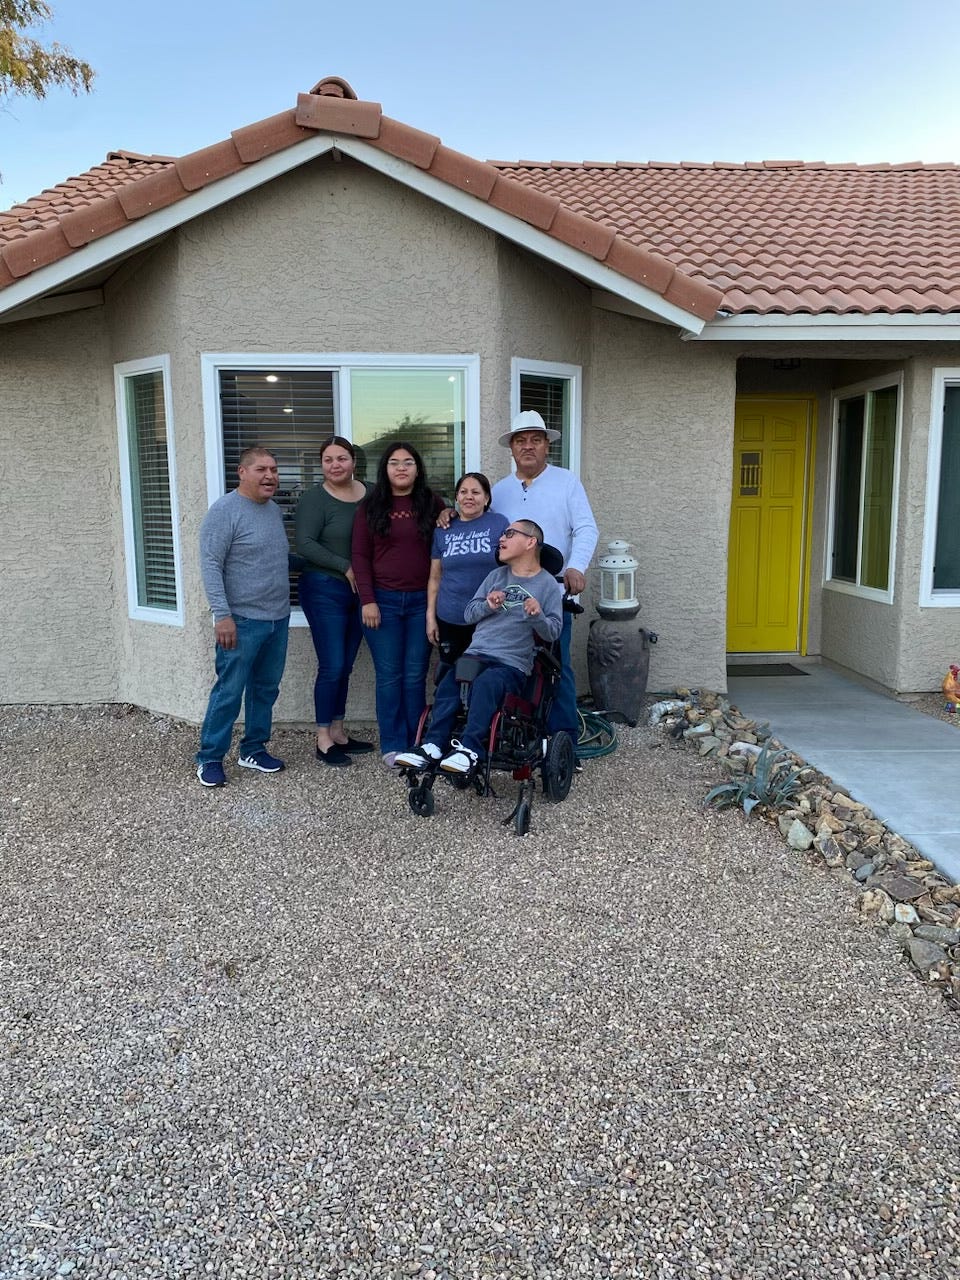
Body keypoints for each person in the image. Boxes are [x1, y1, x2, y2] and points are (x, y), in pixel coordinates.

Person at [395, 519, 562, 775]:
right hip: (476, 654)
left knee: (486, 683)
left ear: (531, 542)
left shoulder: (547, 584)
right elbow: (469, 614)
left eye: (509, 534)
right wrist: (488, 605)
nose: (501, 539)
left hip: (511, 663)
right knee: (450, 683)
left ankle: (470, 749)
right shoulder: (495, 576)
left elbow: (553, 631)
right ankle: (432, 745)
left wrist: (537, 615)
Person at [490, 410, 598, 752]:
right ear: (511, 448)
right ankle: (523, 739)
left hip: (554, 592)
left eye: (536, 440)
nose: (528, 446)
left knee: (556, 667)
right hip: (511, 595)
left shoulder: (567, 482)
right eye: (521, 440)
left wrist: (576, 567)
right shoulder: (499, 491)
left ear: (546, 446)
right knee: (514, 664)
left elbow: (586, 528)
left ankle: (563, 744)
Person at [196, 447, 291, 787]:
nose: (270, 476)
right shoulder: (225, 511)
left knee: (265, 689)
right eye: (261, 469)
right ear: (242, 472)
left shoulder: (273, 510)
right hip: (241, 621)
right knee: (229, 691)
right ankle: (209, 757)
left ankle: (253, 749)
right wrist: (222, 615)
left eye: (274, 469)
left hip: (277, 618)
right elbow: (210, 564)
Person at [351, 441, 446, 769]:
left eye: (408, 462)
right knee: (390, 675)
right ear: (385, 469)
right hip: (383, 603)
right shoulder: (370, 507)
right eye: (394, 462)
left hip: (423, 602)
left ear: (417, 469)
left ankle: (417, 742)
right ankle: (393, 743)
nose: (401, 468)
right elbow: (360, 556)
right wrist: (368, 600)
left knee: (415, 674)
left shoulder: (432, 503)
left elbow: (449, 537)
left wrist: (449, 513)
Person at [294, 436, 374, 767]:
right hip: (324, 588)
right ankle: (323, 737)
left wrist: (444, 511)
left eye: (341, 458)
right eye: (328, 460)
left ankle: (339, 732)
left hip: (361, 592)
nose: (335, 465)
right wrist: (345, 566)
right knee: (333, 664)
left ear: (354, 461)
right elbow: (305, 543)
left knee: (347, 664)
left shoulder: (372, 493)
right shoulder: (314, 499)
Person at [427, 472, 509, 669]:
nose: (469, 497)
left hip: (489, 617)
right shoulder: (443, 529)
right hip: (450, 617)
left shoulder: (499, 523)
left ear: (486, 498)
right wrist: (430, 617)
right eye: (463, 492)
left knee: (485, 676)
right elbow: (435, 577)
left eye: (476, 492)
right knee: (450, 676)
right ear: (456, 497)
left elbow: (512, 567)